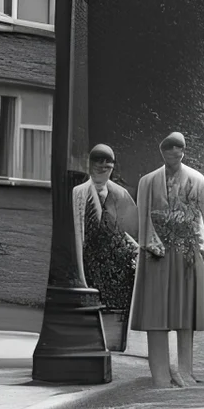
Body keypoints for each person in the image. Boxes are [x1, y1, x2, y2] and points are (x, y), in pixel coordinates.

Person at [130, 131, 204, 389]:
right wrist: (150, 244)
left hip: (186, 251)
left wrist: (202, 246)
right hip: (156, 252)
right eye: (169, 150)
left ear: (184, 151)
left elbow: (200, 215)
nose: (175, 154)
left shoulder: (197, 179)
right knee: (157, 314)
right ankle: (160, 374)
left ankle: (185, 371)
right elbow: (142, 216)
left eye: (180, 149)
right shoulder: (147, 181)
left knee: (185, 313)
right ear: (162, 152)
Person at [71, 143, 139, 352]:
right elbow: (76, 229)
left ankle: (114, 343)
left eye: (108, 164)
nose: (103, 167)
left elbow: (131, 231)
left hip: (115, 268)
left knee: (115, 311)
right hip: (87, 262)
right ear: (89, 165)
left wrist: (136, 251)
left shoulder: (121, 195)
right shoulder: (79, 193)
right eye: (98, 163)